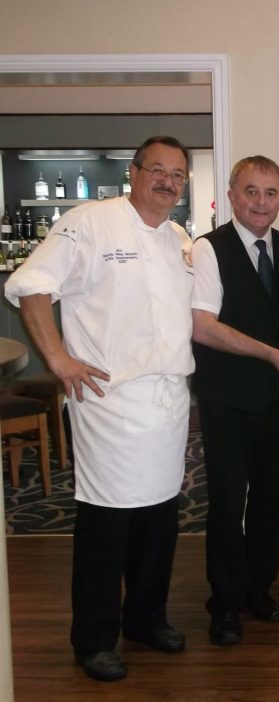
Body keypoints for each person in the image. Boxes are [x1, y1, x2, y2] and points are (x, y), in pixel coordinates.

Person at [5, 136, 195, 682]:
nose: (167, 180)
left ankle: (146, 619)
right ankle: (94, 638)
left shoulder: (179, 238)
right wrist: (60, 359)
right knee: (107, 521)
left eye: (177, 173)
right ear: (133, 173)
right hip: (111, 401)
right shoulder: (89, 221)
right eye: (156, 169)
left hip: (168, 401)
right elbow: (31, 285)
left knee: (160, 516)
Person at [191, 155, 279, 646]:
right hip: (227, 401)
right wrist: (270, 354)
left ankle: (257, 590)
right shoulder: (208, 249)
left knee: (271, 501)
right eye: (251, 191)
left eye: (270, 193)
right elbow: (203, 326)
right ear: (232, 192)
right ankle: (223, 604)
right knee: (225, 504)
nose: (261, 202)